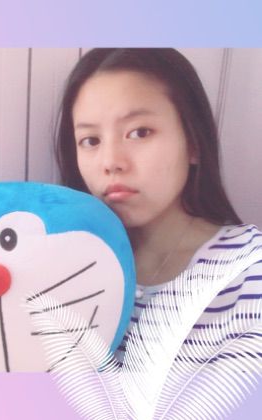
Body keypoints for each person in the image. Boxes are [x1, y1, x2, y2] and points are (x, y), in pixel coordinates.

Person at [54, 48, 262, 363]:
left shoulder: (248, 273)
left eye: (140, 133)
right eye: (91, 140)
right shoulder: (63, 265)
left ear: (193, 143)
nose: (111, 162)